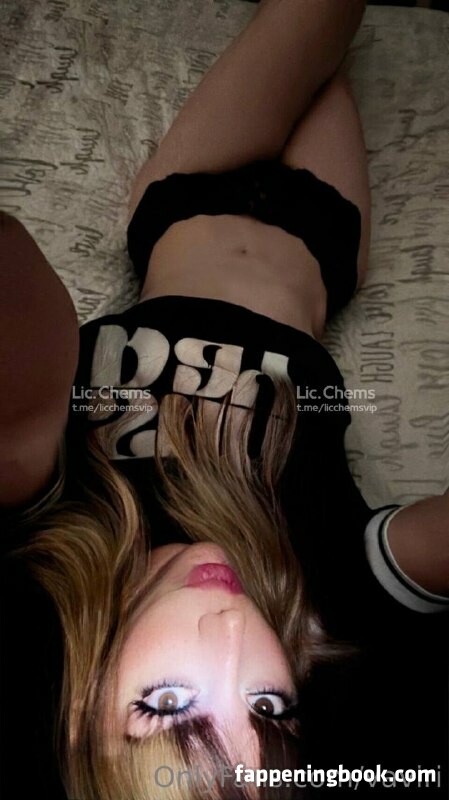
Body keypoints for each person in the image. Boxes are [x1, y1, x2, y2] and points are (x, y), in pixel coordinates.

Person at [0, 0, 448, 798]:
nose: (236, 634)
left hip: (184, 201)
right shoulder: (323, 591)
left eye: (169, 703)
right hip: (322, 240)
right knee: (335, 35)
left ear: (76, 717)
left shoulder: (51, 532)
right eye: (270, 707)